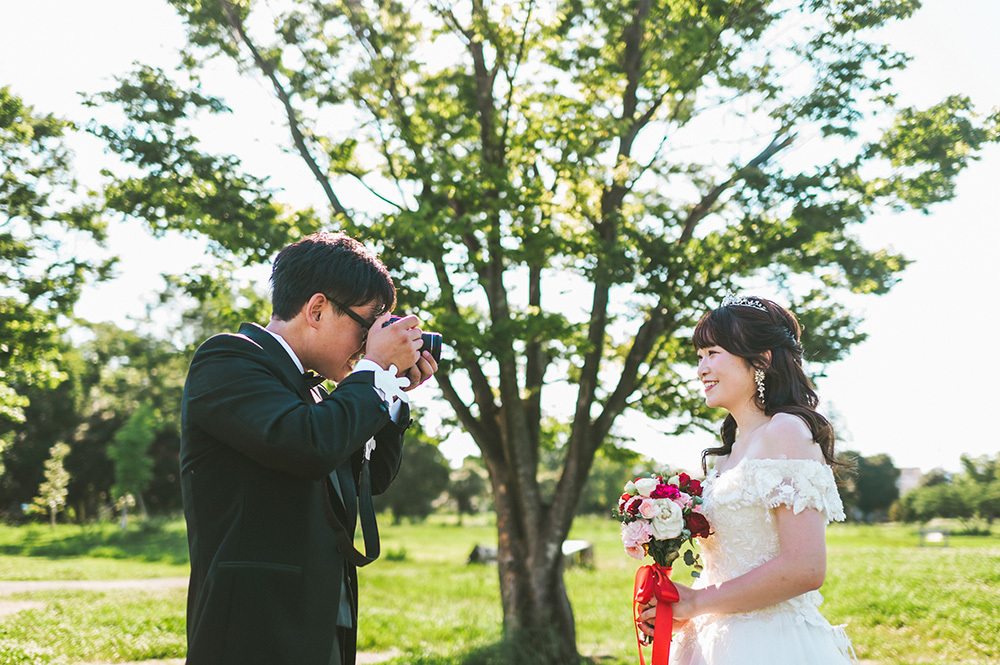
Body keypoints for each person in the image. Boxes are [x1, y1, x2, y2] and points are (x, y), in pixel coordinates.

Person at [180, 232, 438, 665]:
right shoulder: (228, 360)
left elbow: (371, 478)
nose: (368, 345)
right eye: (366, 328)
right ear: (317, 309)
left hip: (322, 622)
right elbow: (310, 445)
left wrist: (391, 390)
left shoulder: (317, 394)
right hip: (253, 629)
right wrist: (375, 370)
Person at [639, 294, 855, 665]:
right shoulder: (728, 454)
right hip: (711, 639)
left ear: (761, 360)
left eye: (713, 353)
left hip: (769, 644)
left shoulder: (786, 431)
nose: (701, 368)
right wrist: (680, 606)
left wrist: (697, 602)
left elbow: (805, 567)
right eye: (699, 356)